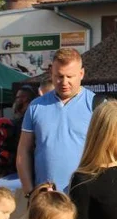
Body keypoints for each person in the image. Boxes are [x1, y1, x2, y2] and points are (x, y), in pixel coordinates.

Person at [17, 48, 96, 195]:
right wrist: (29, 192)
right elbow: (23, 151)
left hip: (85, 195)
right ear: (51, 73)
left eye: (69, 76)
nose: (64, 82)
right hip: (46, 197)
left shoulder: (96, 105)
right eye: (59, 76)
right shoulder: (36, 106)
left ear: (81, 74)